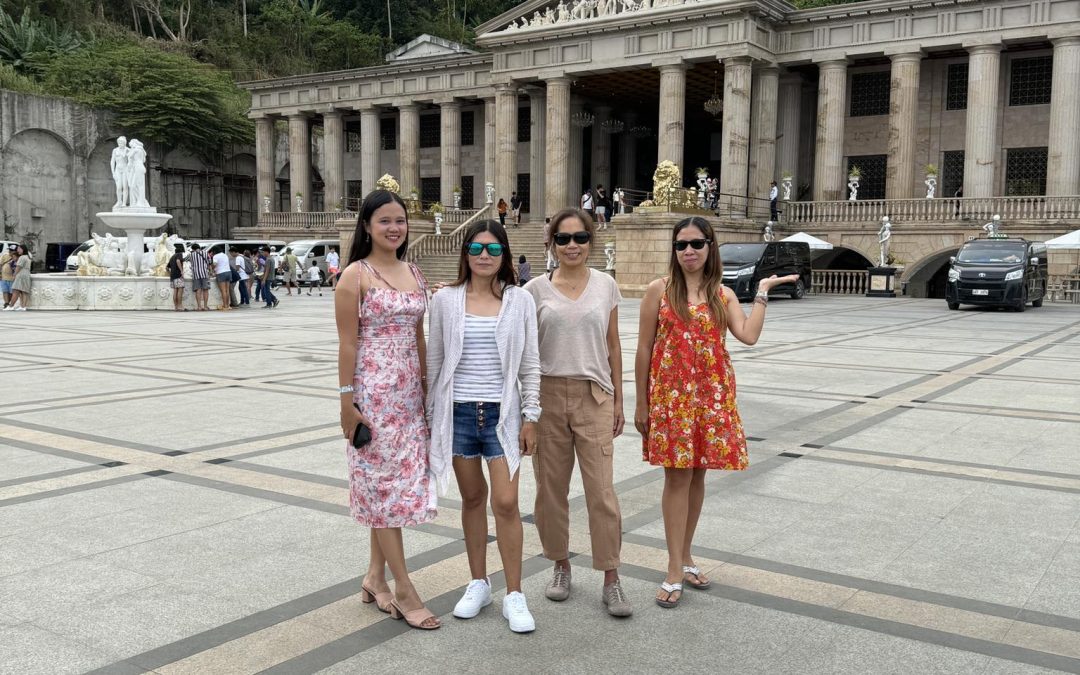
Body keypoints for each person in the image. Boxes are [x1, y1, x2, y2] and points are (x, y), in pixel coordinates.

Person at [634, 217, 797, 609]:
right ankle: (674, 569)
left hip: (711, 398)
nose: (688, 251)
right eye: (681, 244)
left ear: (711, 247)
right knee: (676, 479)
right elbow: (643, 349)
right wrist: (642, 403)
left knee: (697, 478)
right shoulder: (660, 290)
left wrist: (761, 292)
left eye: (696, 243)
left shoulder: (722, 295)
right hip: (672, 399)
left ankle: (686, 556)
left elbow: (749, 335)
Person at [427, 219, 540, 634]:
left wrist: (532, 417)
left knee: (507, 503)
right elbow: (436, 364)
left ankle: (514, 592)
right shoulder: (445, 301)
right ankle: (479, 582)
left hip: (502, 413)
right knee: (472, 500)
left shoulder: (519, 300)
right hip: (457, 413)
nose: (485, 257)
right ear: (465, 254)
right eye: (477, 249)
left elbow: (530, 365)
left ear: (505, 255)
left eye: (493, 250)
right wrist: (429, 421)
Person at [335, 189, 439, 630]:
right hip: (373, 398)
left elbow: (418, 337)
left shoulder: (414, 271)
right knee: (383, 492)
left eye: (400, 220)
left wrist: (425, 387)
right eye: (384, 221)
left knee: (396, 490)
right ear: (367, 226)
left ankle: (374, 577)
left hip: (408, 400)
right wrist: (347, 402)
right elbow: (347, 343)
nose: (394, 228)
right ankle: (404, 589)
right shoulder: (354, 276)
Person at [524, 207, 631, 618]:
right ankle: (560, 565)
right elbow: (525, 351)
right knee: (550, 491)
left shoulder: (606, 285)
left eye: (580, 238)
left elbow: (614, 346)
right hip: (548, 396)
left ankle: (611, 576)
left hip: (594, 396)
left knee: (601, 490)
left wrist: (619, 398)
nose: (572, 246)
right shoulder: (534, 290)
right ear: (551, 243)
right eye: (564, 238)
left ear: (591, 242)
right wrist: (527, 410)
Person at [3, 244, 31, 311]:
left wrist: (14, 275)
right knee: (24, 291)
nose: (18, 250)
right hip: (26, 274)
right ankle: (23, 306)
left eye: (19, 249)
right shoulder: (27, 257)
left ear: (23, 249)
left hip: (21, 275)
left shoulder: (22, 257)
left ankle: (11, 306)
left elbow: (18, 267)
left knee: (15, 290)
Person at [187, 243, 211, 311]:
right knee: (205, 290)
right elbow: (209, 262)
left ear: (193, 249)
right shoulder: (205, 253)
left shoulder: (191, 255)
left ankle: (199, 306)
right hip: (204, 274)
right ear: (199, 247)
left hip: (196, 275)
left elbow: (189, 263)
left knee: (198, 290)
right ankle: (205, 306)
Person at [212, 247, 233, 311]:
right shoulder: (225, 255)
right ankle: (228, 305)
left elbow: (215, 264)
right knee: (227, 290)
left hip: (221, 273)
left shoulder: (215, 256)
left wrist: (212, 267)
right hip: (228, 272)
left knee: (223, 290)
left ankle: (225, 305)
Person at [168, 244, 186, 311]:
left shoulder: (172, 257)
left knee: (175, 291)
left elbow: (167, 268)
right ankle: (180, 306)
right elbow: (178, 261)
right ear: (181, 252)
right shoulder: (179, 254)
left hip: (172, 277)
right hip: (178, 275)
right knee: (180, 290)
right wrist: (181, 271)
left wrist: (171, 273)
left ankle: (175, 307)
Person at [1, 243, 16, 308]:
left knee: (11, 292)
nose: (9, 251)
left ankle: (9, 302)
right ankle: (6, 303)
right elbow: (0, 264)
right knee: (5, 291)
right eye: (9, 250)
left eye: (11, 250)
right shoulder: (5, 256)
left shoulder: (17, 257)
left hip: (12, 278)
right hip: (4, 277)